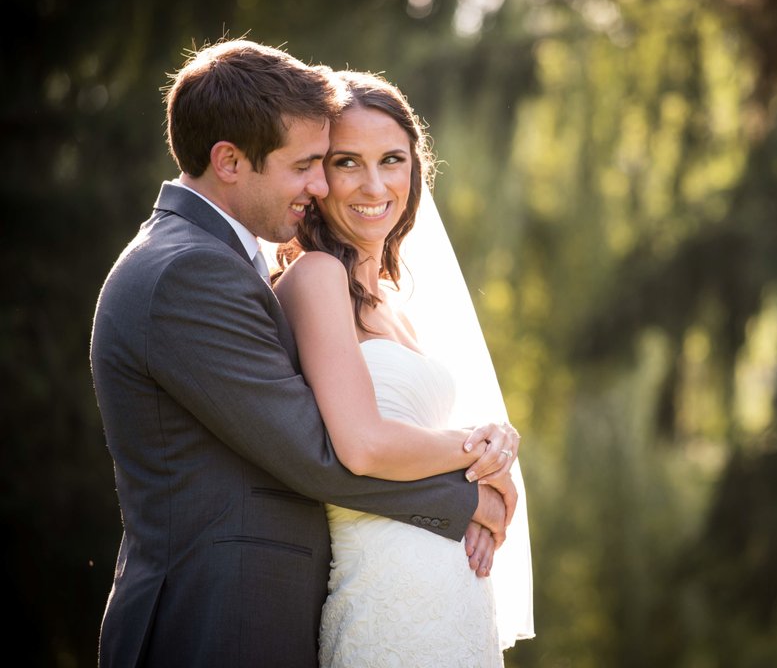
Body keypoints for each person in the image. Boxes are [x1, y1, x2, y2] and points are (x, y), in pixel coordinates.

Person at [89, 39, 516, 668]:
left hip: (272, 608)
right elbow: (321, 453)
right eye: (308, 165)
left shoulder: (220, 261)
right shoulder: (187, 271)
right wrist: (472, 487)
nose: (318, 186)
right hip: (214, 618)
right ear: (229, 161)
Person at [273, 69, 535, 666]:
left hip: (455, 595)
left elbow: (414, 441)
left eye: (391, 160)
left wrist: (493, 450)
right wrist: (480, 454)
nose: (374, 184)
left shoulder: (397, 301)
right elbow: (363, 446)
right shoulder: (316, 277)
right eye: (347, 162)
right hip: (387, 595)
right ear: (317, 176)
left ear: (415, 169)